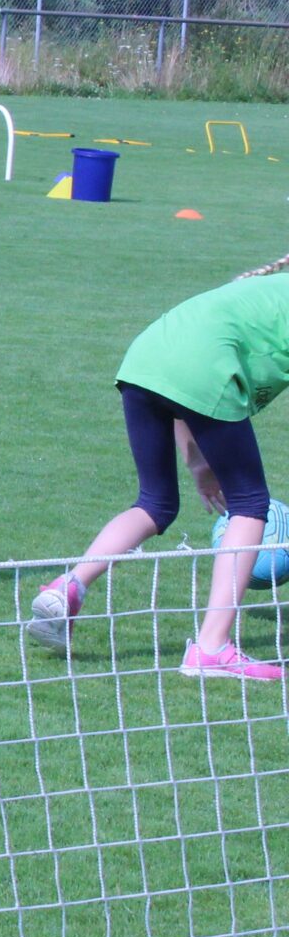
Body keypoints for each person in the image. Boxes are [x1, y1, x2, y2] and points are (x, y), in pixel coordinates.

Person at [24, 263, 289, 679]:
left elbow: (181, 378)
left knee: (156, 502)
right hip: (202, 369)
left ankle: (69, 586)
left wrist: (199, 463)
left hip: (144, 360)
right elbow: (197, 369)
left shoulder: (267, 293)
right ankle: (211, 649)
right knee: (250, 504)